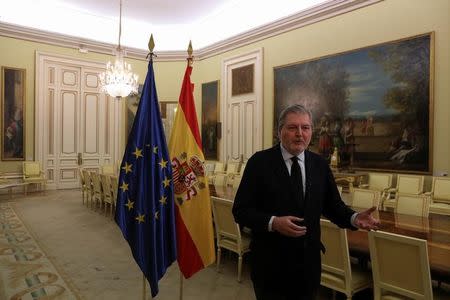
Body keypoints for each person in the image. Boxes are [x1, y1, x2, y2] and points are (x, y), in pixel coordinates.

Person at [232, 104, 379, 300]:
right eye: (293, 128)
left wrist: (353, 217)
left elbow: (333, 206)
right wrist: (273, 222)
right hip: (270, 268)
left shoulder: (319, 164)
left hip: (308, 268)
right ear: (280, 131)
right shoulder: (259, 163)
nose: (300, 134)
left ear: (311, 132)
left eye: (306, 128)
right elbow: (240, 211)